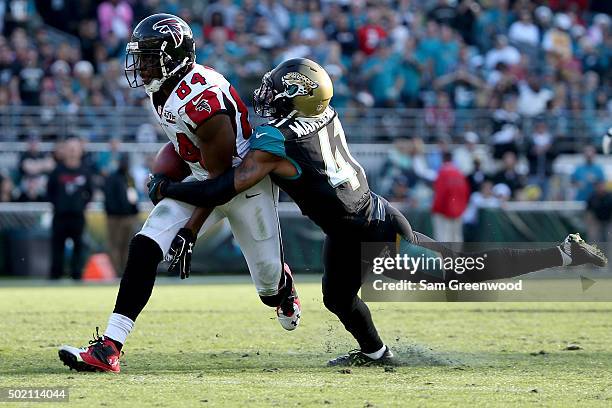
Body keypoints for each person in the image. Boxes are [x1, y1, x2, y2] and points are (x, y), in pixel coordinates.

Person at [149, 58, 608, 366]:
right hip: (349, 225)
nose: (267, 97)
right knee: (336, 297)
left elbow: (229, 185)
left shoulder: (277, 141)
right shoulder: (322, 115)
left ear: (298, 98)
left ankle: (564, 253)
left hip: (375, 227)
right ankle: (376, 354)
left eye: (277, 92)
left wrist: (172, 187)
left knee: (464, 273)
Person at [58, 14, 299, 373]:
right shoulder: (164, 87)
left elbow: (220, 181)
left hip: (242, 186)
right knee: (145, 244)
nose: (141, 65)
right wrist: (171, 173)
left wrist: (190, 230)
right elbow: (192, 153)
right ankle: (110, 346)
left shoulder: (203, 101)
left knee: (268, 288)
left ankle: (283, 285)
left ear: (173, 55)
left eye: (149, 55)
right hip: (207, 177)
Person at [46, 137, 93, 280]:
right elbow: (49, 191)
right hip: (60, 216)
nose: (72, 151)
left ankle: (76, 274)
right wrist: (58, 205)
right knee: (57, 246)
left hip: (77, 216)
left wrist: (81, 205)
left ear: (80, 150)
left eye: (75, 148)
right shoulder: (57, 170)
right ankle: (55, 275)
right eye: (69, 148)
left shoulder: (85, 171)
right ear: (64, 150)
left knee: (79, 245)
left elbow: (90, 192)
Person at [103, 154, 139, 275]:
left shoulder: (129, 178)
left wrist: (134, 212)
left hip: (128, 217)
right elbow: (108, 198)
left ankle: (124, 271)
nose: (125, 164)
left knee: (127, 245)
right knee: (114, 245)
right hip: (115, 217)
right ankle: (115, 271)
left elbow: (134, 197)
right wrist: (113, 212)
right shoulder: (112, 178)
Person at [431, 152, 470, 242]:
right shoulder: (459, 173)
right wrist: (460, 209)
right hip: (458, 211)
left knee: (443, 237)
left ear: (443, 159)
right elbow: (466, 193)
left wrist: (436, 209)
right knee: (456, 237)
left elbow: (440, 193)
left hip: (443, 211)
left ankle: (443, 256)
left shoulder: (442, 172)